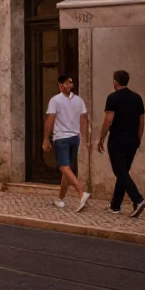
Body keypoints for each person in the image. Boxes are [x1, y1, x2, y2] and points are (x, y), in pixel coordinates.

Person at [97, 70, 145, 217]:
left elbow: (108, 120)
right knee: (123, 172)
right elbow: (141, 121)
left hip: (117, 140)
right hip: (132, 141)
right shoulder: (137, 98)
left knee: (120, 171)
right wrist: (139, 138)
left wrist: (101, 139)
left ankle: (138, 200)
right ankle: (115, 205)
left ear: (115, 82)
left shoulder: (113, 98)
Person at [43, 75, 91, 211]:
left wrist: (46, 139)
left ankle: (81, 192)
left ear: (59, 85)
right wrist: (85, 139)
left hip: (61, 138)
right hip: (75, 138)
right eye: (68, 82)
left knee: (64, 168)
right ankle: (60, 199)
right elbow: (83, 121)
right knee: (67, 169)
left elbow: (50, 120)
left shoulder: (55, 100)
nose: (69, 85)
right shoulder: (79, 101)